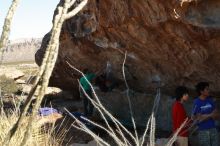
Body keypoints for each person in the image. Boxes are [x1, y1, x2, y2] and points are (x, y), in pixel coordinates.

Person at [192, 82, 219, 146]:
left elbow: (217, 115)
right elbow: (199, 119)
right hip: (203, 130)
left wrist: (204, 116)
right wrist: (210, 115)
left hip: (213, 128)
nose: (209, 91)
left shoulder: (210, 100)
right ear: (201, 91)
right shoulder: (196, 102)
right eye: (207, 89)